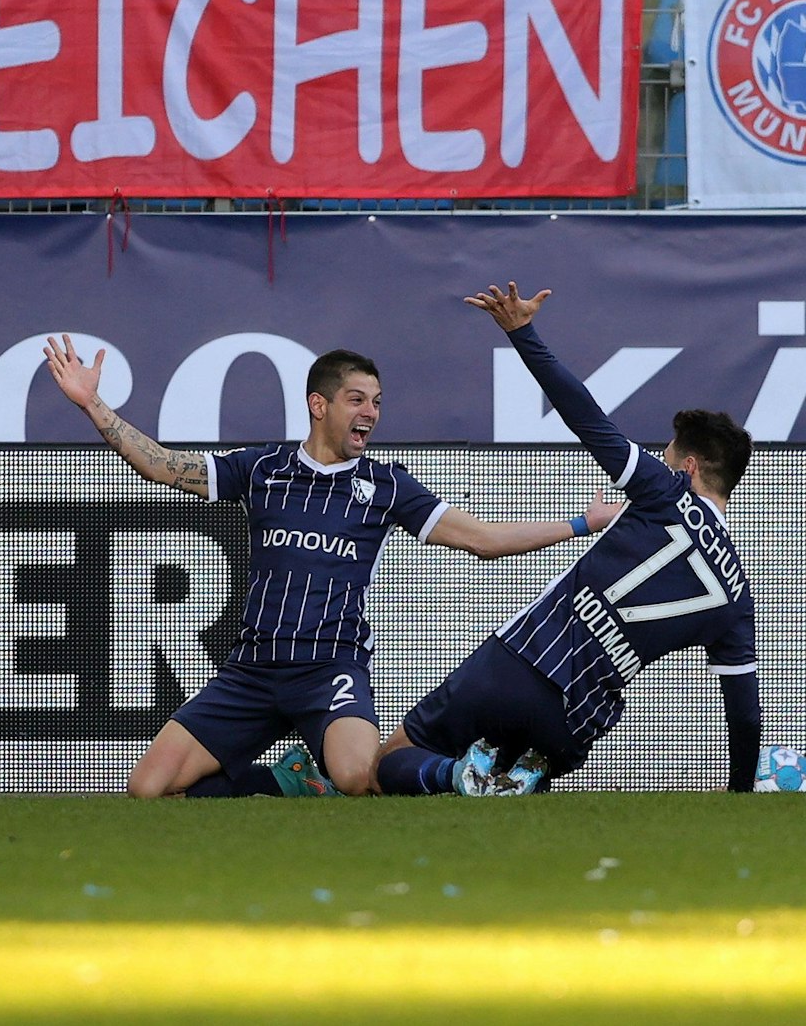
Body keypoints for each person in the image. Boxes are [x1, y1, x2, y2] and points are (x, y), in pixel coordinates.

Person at [44, 338, 590, 798]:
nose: (371, 413)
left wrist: (582, 522)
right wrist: (93, 405)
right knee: (148, 789)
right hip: (252, 672)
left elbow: (483, 540)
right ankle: (290, 781)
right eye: (357, 399)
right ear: (319, 404)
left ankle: (432, 774)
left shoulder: (385, 484)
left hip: (330, 670)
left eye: (376, 401)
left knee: (357, 776)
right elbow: (162, 467)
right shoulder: (261, 468)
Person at [374, 283, 763, 797]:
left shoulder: (664, 492)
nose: (661, 460)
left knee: (387, 767)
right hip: (578, 721)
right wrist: (740, 799)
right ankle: (498, 782)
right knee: (496, 801)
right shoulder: (736, 593)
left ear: (688, 467)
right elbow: (744, 711)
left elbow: (584, 416)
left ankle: (454, 773)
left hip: (519, 664)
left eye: (667, 455)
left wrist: (523, 333)